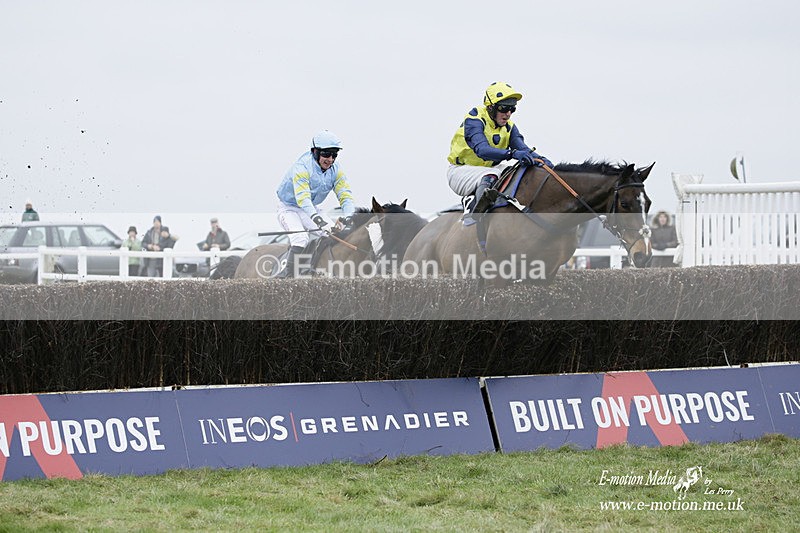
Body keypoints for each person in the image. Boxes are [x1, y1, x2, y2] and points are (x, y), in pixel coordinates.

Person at [447, 82, 554, 222]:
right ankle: (476, 212)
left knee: (520, 172)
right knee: (492, 174)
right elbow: (482, 150)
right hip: (461, 171)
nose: (508, 114)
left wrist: (542, 161)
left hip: (489, 169)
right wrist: (512, 154)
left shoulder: (509, 127)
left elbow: (523, 149)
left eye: (512, 109)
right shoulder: (474, 120)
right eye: (504, 108)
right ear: (491, 107)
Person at [274, 130, 356, 278]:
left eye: (334, 155)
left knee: (332, 233)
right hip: (289, 208)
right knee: (300, 239)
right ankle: (288, 279)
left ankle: (312, 269)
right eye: (326, 154)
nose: (330, 159)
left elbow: (345, 196)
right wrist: (317, 219)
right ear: (315, 152)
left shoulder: (336, 170)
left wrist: (349, 216)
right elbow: (303, 198)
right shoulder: (302, 167)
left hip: (310, 207)